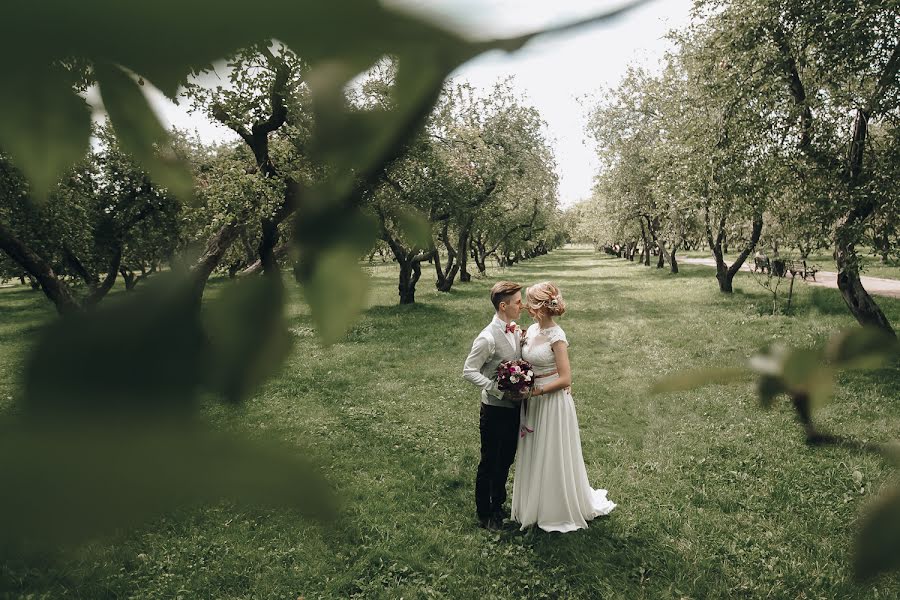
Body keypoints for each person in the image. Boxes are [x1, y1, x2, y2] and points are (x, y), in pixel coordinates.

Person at [512, 281, 616, 532]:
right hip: (533, 403)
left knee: (552, 452)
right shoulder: (532, 330)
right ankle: (533, 503)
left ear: (540, 306)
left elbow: (566, 378)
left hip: (551, 402)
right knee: (536, 450)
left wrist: (536, 391)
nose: (525, 305)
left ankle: (555, 507)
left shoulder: (557, 337)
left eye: (529, 301)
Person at [462, 281, 524, 529]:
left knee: (506, 459)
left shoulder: (515, 329)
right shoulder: (487, 338)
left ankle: (498, 503)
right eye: (518, 302)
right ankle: (485, 513)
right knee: (490, 461)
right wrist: (496, 388)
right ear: (503, 305)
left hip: (513, 410)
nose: (522, 306)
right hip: (494, 410)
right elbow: (468, 371)